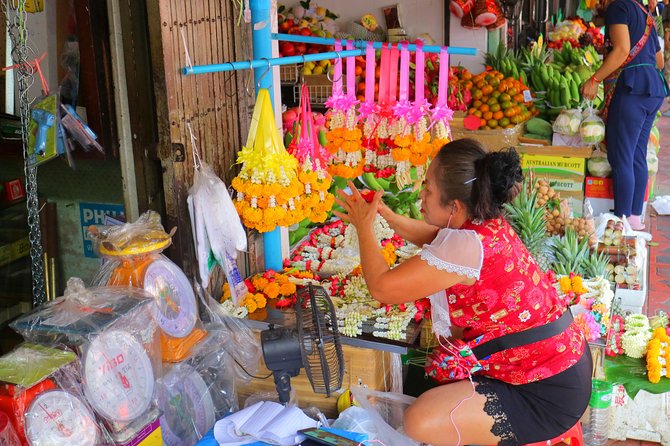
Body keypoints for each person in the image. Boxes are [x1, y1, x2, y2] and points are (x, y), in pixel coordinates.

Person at [333, 139, 592, 446]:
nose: (422, 195)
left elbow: (383, 288)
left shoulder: (464, 245)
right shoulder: (481, 222)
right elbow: (437, 237)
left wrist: (364, 227)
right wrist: (389, 219)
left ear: (454, 206)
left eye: (428, 188)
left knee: (420, 420)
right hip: (561, 365)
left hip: (544, 392)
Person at [582, 0, 669, 230]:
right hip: (653, 90)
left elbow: (621, 49)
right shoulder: (643, 12)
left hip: (633, 90)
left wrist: (594, 79)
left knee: (622, 158)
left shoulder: (618, 8)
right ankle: (634, 219)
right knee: (636, 155)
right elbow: (659, 61)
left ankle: (620, 223)